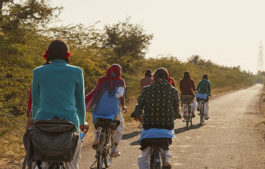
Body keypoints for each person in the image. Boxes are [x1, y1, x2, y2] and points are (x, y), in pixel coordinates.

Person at [31, 40, 87, 169]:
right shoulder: (77, 71)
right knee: (72, 164)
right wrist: (82, 121)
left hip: (43, 123)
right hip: (70, 123)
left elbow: (36, 102)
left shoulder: (38, 71)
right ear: (67, 55)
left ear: (48, 54)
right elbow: (80, 102)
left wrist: (34, 120)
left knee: (38, 162)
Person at [131, 67, 181, 169]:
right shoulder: (173, 91)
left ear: (154, 78)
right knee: (166, 146)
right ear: (168, 78)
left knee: (145, 154)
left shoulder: (147, 90)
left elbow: (139, 105)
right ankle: (167, 159)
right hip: (166, 126)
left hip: (149, 126)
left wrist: (136, 114)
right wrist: (175, 115)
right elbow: (176, 109)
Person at [85, 64, 127, 157]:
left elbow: (96, 93)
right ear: (119, 72)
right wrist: (123, 106)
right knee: (120, 127)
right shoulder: (120, 82)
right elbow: (120, 96)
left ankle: (96, 137)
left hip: (98, 112)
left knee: (97, 121)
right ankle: (114, 150)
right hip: (113, 113)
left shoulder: (101, 80)